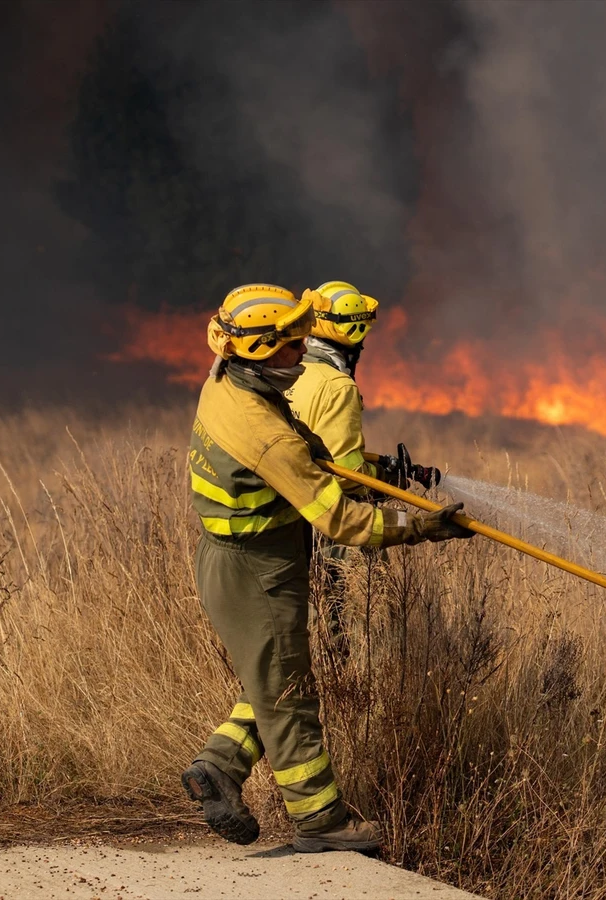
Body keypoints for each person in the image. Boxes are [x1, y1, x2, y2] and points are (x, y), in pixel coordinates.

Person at [180, 284, 472, 854]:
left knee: (274, 679)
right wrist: (421, 527)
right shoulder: (264, 437)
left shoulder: (227, 379)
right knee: (289, 693)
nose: (301, 350)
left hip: (236, 560)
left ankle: (219, 767)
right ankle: (321, 822)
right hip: (258, 570)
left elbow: (311, 451)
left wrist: (380, 467)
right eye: (290, 344)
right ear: (260, 352)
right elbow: (340, 521)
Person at [283, 281, 440, 655]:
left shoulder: (290, 371)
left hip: (289, 517)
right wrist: (385, 482)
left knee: (308, 623)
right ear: (351, 337)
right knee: (353, 627)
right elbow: (347, 474)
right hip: (331, 524)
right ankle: (355, 679)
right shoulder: (338, 388)